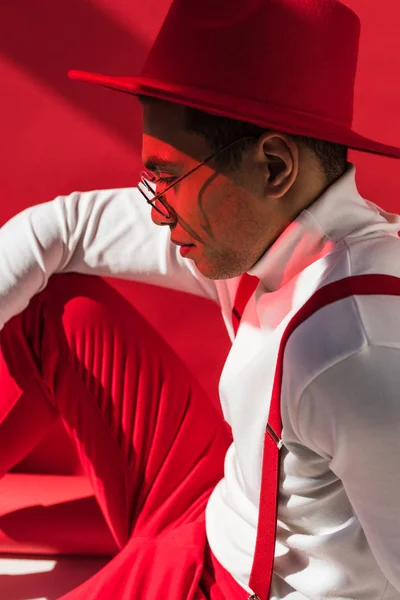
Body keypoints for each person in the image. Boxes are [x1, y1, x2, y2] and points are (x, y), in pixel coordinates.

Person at [1, 0, 400, 598]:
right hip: (215, 506)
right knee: (41, 296)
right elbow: (59, 227)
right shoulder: (252, 226)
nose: (154, 209)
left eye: (167, 176)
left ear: (272, 166)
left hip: (231, 584)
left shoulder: (355, 351)